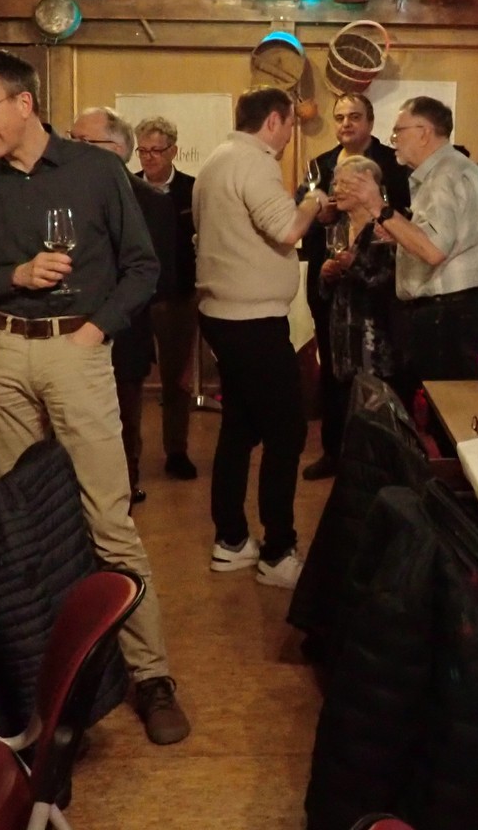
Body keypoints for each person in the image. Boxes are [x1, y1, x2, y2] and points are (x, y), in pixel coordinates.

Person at [0, 49, 190, 747]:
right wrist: (17, 274)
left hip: (75, 350)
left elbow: (142, 267)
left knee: (107, 521)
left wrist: (94, 331)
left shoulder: (97, 172)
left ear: (23, 103)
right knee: (21, 527)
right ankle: (47, 690)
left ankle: (151, 676)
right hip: (1, 350)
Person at [193, 86, 329, 589]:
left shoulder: (216, 160)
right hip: (251, 320)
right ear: (273, 120)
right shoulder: (254, 163)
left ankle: (231, 540)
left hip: (223, 313)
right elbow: (288, 230)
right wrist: (312, 201)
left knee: (239, 427)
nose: (291, 133)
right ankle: (278, 552)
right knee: (286, 433)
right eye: (290, 123)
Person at [337, 96, 478, 400]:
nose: (393, 141)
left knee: (449, 409)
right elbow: (445, 238)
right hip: (461, 311)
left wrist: (378, 206)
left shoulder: (444, 176)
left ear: (424, 132)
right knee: (454, 406)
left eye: (399, 131)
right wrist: (400, 235)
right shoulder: (455, 170)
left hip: (449, 316)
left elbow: (433, 250)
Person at [70, 107, 178, 507]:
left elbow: (159, 277)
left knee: (122, 420)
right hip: (69, 331)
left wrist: (112, 305)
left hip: (125, 331)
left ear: (116, 148)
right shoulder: (64, 194)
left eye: (83, 141)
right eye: (71, 139)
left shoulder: (151, 201)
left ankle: (122, 494)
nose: (71, 149)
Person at [301, 92, 409, 481]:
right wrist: (320, 224)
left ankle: (383, 460)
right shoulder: (319, 164)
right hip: (336, 302)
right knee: (334, 374)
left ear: (370, 122)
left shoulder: (393, 165)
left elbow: (401, 237)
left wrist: (355, 265)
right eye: (340, 117)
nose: (346, 123)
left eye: (354, 116)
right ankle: (336, 452)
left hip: (378, 317)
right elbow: (305, 222)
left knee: (379, 384)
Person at [133, 115, 199, 482]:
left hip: (178, 296)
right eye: (142, 151)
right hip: (135, 299)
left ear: (173, 151)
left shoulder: (192, 190)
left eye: (156, 150)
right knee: (130, 378)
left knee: (177, 379)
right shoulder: (127, 188)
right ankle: (130, 454)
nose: (149, 158)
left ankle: (177, 450)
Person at [321, 156, 399, 386]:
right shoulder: (339, 227)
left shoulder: (387, 228)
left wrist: (352, 266)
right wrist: (327, 275)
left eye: (345, 184)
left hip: (376, 345)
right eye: (336, 183)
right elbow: (326, 293)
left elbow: (389, 282)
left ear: (369, 185)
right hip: (343, 345)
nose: (337, 190)